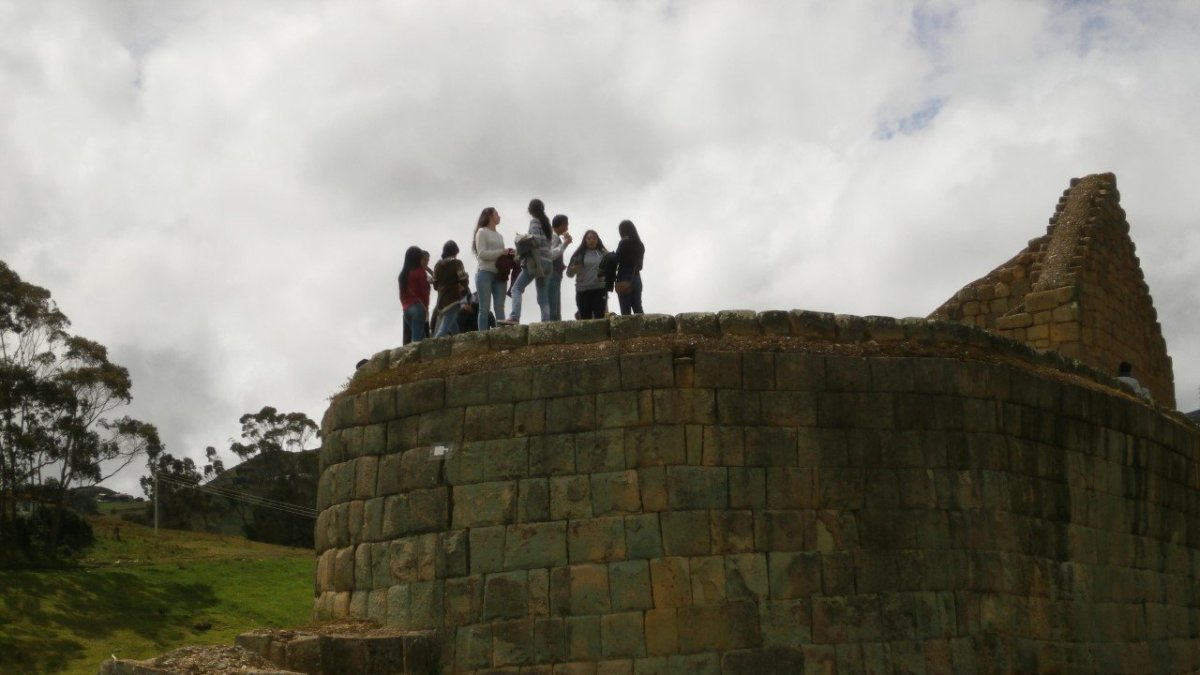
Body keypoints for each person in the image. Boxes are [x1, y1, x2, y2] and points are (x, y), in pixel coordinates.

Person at [505, 198, 556, 324]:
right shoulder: (547, 225)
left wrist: (523, 240)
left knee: (516, 289)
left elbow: (536, 241)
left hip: (535, 262)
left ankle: (514, 316)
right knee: (543, 296)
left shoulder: (534, 221)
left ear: (531, 210)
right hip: (547, 262)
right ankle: (546, 322)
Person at [473, 207, 513, 332]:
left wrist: (509, 254)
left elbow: (499, 255)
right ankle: (483, 337)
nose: (499, 216)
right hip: (485, 272)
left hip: (499, 274)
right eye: (496, 213)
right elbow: (482, 254)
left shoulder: (499, 236)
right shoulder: (482, 232)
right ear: (490, 216)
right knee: (484, 307)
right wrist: (501, 252)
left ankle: (501, 336)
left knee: (500, 307)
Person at [566, 229, 609, 320]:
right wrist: (574, 269)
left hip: (599, 289)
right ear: (585, 240)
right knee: (585, 318)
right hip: (582, 290)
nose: (591, 241)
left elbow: (613, 265)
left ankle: (600, 334)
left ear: (597, 241)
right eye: (589, 238)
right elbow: (569, 274)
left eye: (594, 239)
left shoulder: (602, 253)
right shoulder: (578, 255)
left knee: (599, 317)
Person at [432, 241, 470, 338]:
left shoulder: (437, 266)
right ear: (455, 251)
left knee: (453, 326)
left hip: (441, 300)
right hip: (453, 299)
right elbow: (463, 280)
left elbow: (435, 285)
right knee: (443, 329)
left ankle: (461, 345)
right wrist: (466, 277)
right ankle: (432, 347)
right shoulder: (457, 263)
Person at [398, 245, 430, 344]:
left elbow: (401, 295)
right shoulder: (420, 272)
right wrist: (425, 307)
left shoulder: (402, 274)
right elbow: (424, 291)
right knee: (417, 341)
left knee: (421, 336)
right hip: (418, 307)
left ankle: (428, 357)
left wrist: (404, 306)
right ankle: (415, 359)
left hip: (406, 309)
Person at [613, 219, 645, 315]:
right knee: (638, 308)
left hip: (623, 278)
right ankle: (643, 329)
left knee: (625, 312)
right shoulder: (640, 244)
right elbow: (640, 266)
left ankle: (628, 330)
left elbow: (616, 260)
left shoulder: (623, 243)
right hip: (636, 278)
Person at [546, 214, 573, 321]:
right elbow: (551, 255)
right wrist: (566, 243)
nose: (567, 228)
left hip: (553, 275)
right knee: (554, 308)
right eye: (566, 225)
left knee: (555, 307)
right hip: (552, 275)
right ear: (562, 224)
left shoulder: (552, 236)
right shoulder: (554, 237)